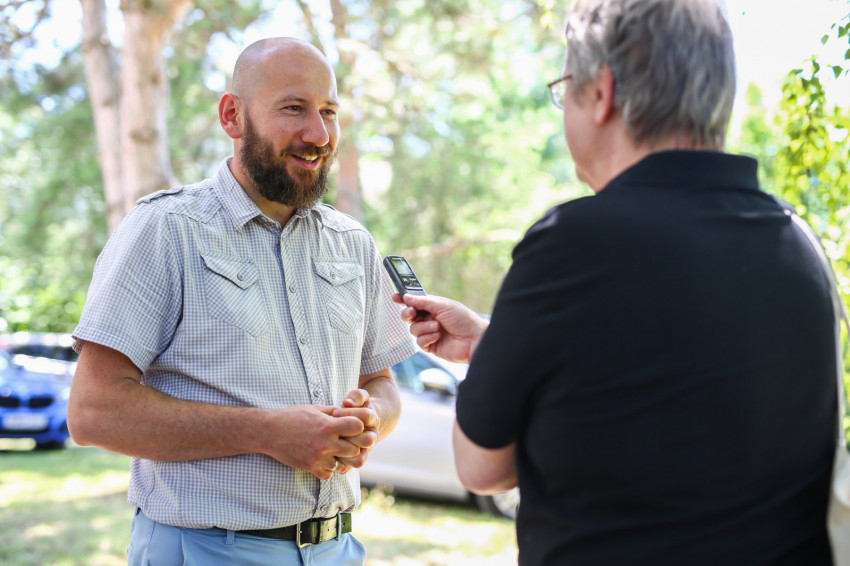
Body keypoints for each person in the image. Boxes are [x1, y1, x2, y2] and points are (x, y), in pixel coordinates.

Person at [397, 1, 839, 564]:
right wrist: (495, 342)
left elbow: (482, 467)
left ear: (601, 93)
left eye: (564, 89)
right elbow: (667, 384)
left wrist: (492, 359)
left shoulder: (572, 244)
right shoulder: (796, 240)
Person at [68, 37, 416, 565]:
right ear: (232, 116)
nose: (319, 134)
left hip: (339, 550)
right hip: (206, 550)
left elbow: (382, 384)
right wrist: (267, 432)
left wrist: (369, 421)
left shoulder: (353, 243)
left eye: (328, 111)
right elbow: (93, 413)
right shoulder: (165, 228)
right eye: (294, 108)